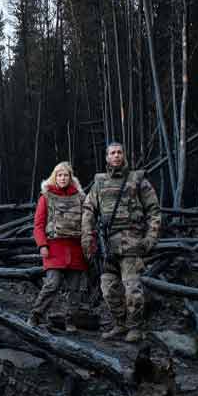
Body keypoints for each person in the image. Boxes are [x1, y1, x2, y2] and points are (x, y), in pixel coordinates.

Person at [81, 142, 162, 343]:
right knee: (108, 288)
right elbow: (89, 210)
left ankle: (135, 327)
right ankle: (120, 323)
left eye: (119, 152)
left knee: (132, 288)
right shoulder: (99, 182)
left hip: (132, 243)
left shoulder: (137, 180)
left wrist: (151, 236)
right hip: (108, 245)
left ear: (124, 155)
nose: (116, 156)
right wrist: (87, 236)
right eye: (112, 153)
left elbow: (154, 210)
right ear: (107, 158)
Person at [28, 161, 89, 331]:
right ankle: (35, 315)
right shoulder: (46, 197)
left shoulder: (80, 197)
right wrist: (42, 245)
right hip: (54, 248)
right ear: (55, 177)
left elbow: (88, 224)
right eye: (59, 175)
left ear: (71, 177)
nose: (63, 178)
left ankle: (70, 320)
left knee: (75, 289)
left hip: (76, 248)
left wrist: (89, 246)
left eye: (66, 175)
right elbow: (38, 225)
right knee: (52, 284)